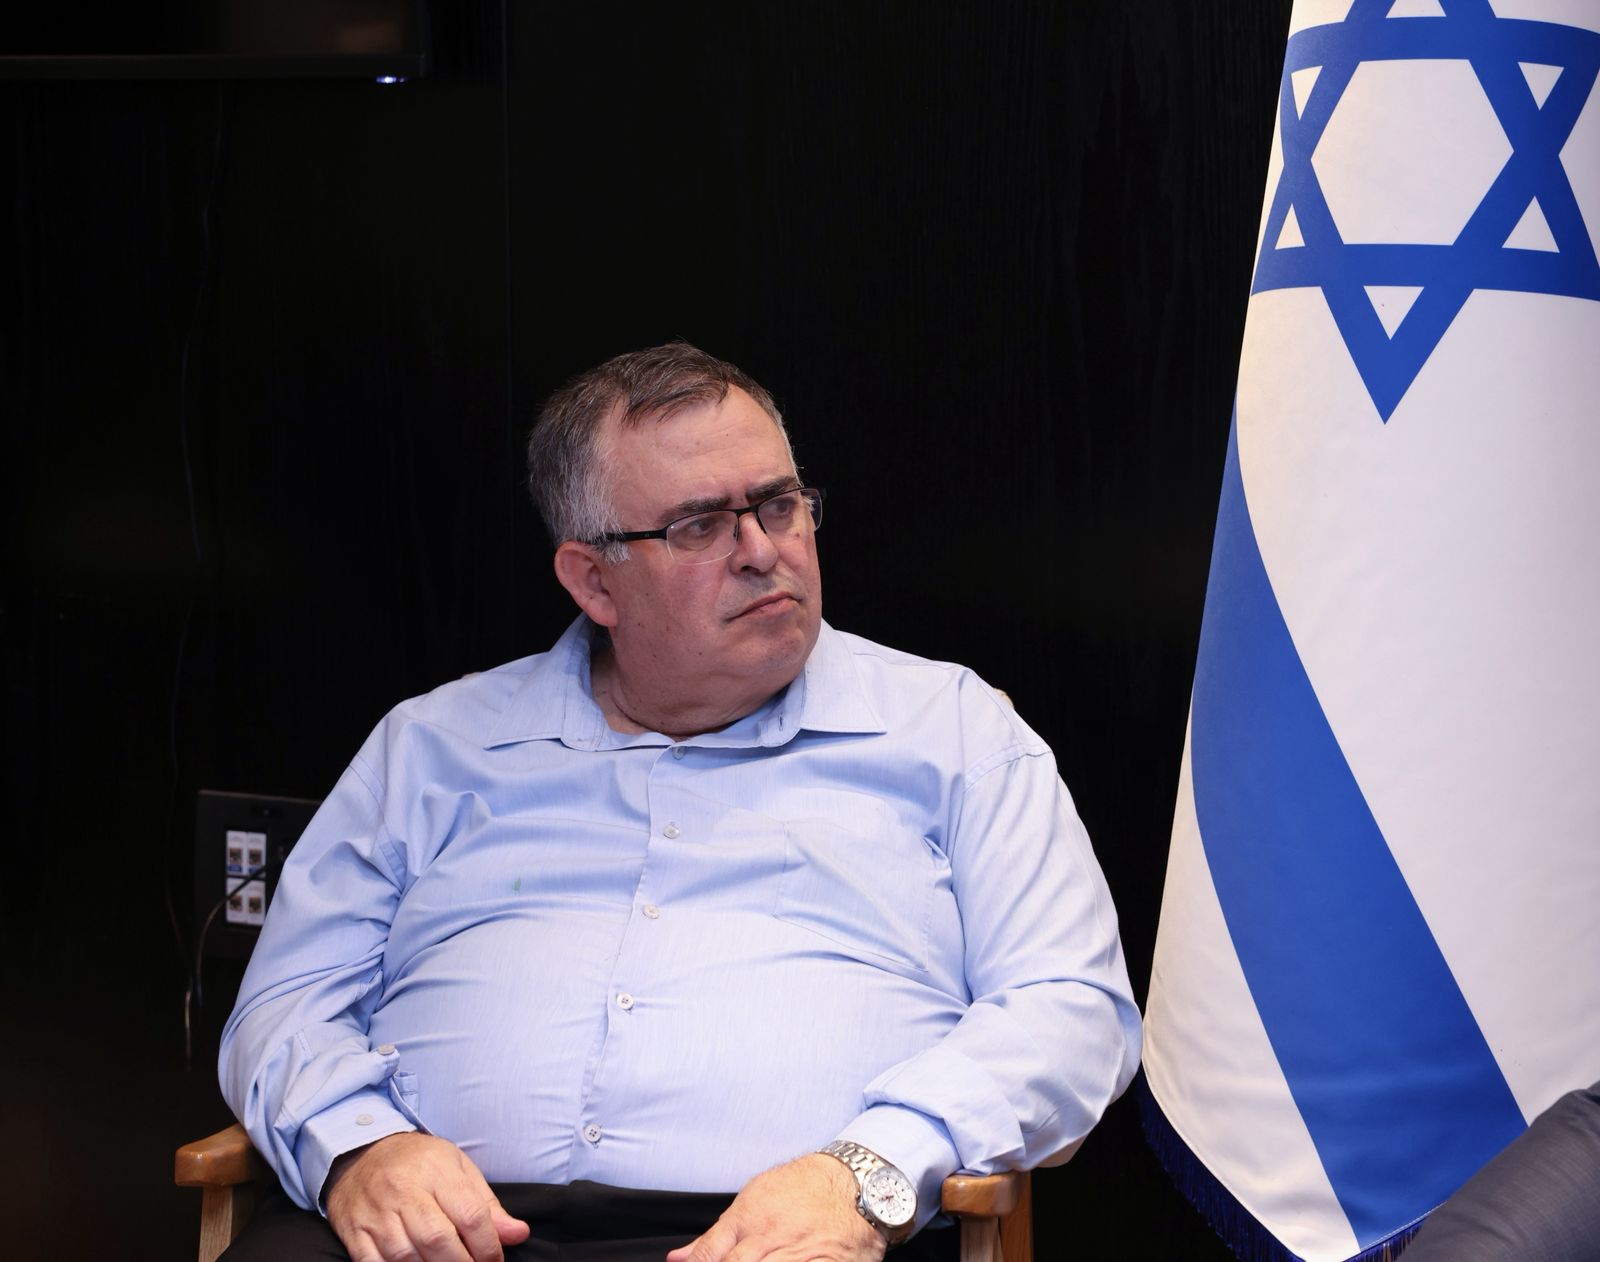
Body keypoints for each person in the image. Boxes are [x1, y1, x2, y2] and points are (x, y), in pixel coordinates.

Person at [218, 341, 1141, 1262]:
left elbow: (1072, 1011)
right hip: (439, 1239)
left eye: (779, 505)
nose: (763, 552)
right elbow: (285, 1005)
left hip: (789, 1237)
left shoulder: (955, 733)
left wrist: (867, 1173)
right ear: (593, 580)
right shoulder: (432, 747)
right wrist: (361, 1147)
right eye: (700, 526)